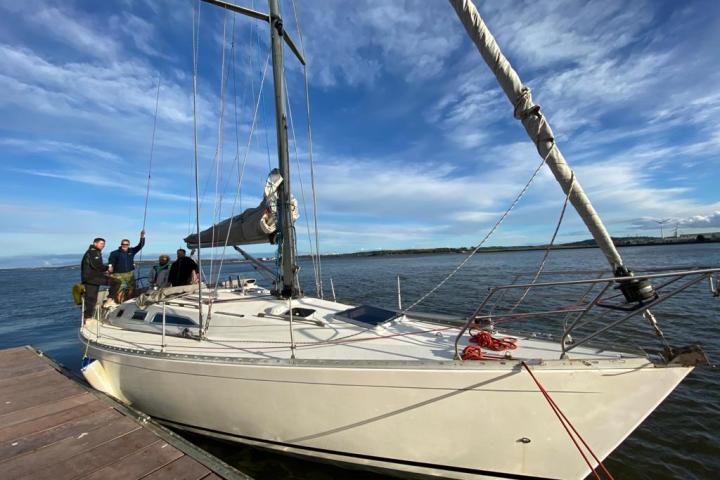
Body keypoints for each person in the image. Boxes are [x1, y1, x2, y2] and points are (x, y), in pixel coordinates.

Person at [81, 237, 121, 321]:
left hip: (90, 278)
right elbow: (97, 265)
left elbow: (94, 267)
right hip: (93, 278)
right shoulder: (93, 252)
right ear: (95, 243)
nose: (103, 245)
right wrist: (107, 268)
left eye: (104, 244)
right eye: (101, 243)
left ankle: (87, 318)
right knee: (116, 282)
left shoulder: (93, 251)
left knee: (91, 299)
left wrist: (104, 273)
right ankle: (109, 301)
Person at [108, 230, 145, 298]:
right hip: (118, 274)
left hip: (129, 273)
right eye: (123, 244)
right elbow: (111, 262)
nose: (125, 245)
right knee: (119, 289)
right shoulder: (114, 253)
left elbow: (140, 246)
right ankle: (119, 303)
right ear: (121, 244)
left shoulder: (132, 251)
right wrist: (110, 267)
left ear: (129, 245)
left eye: (126, 244)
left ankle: (129, 300)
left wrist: (142, 237)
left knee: (132, 288)